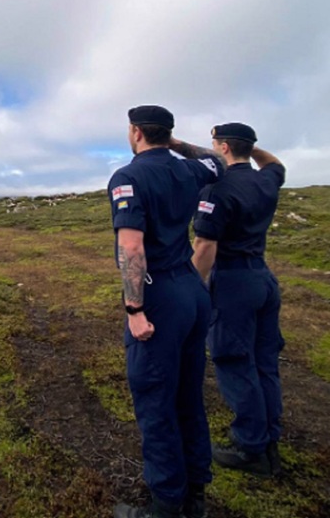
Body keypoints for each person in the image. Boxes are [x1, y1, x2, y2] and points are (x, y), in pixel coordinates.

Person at [110, 105, 224, 518]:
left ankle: (165, 505)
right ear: (166, 134)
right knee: (188, 396)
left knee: (157, 401)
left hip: (160, 298)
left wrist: (134, 308)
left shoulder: (128, 177)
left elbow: (132, 247)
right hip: (192, 290)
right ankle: (196, 494)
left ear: (136, 132)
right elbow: (215, 161)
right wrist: (175, 143)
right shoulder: (189, 170)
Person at [190, 123, 286, 478]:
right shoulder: (267, 179)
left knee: (233, 360)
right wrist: (251, 148)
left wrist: (193, 287)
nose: (212, 149)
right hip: (262, 278)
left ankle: (251, 447)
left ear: (224, 147)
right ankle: (269, 437)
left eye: (215, 145)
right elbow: (275, 162)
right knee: (264, 362)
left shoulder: (217, 188)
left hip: (232, 282)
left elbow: (205, 247)